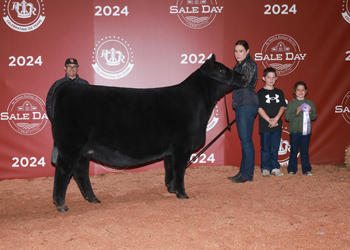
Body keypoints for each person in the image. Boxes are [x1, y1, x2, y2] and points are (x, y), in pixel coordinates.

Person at [46, 58, 90, 164]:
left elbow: (91, 104)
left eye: (74, 66)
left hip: (80, 126)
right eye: (69, 66)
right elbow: (49, 104)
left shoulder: (84, 84)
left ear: (77, 68)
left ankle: (78, 175)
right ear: (64, 68)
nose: (72, 68)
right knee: (60, 155)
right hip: (63, 125)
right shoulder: (58, 84)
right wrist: (56, 120)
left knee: (80, 154)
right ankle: (63, 176)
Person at [228, 40, 259, 183]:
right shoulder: (237, 65)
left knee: (246, 140)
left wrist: (227, 81)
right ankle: (243, 172)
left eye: (241, 51)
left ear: (247, 51)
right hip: (241, 104)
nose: (238, 54)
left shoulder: (250, 64)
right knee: (245, 140)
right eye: (236, 51)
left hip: (247, 103)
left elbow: (244, 82)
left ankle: (247, 174)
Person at [257, 67, 286, 177]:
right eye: (269, 77)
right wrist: (270, 120)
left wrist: (276, 119)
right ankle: (265, 168)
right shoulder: (260, 93)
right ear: (263, 78)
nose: (271, 79)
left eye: (273, 77)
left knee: (275, 147)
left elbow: (282, 107)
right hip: (265, 125)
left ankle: (274, 167)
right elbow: (259, 108)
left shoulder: (279, 92)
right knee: (265, 148)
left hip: (277, 125)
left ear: (276, 79)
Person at [285, 81, 317, 176]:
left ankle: (306, 169)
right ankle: (292, 169)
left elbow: (314, 116)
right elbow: (287, 117)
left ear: (306, 91)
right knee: (294, 151)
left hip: (306, 132)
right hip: (294, 131)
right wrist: (296, 112)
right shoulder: (291, 104)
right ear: (295, 91)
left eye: (302, 90)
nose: (300, 91)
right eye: (298, 90)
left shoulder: (310, 103)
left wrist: (310, 112)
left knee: (304, 151)